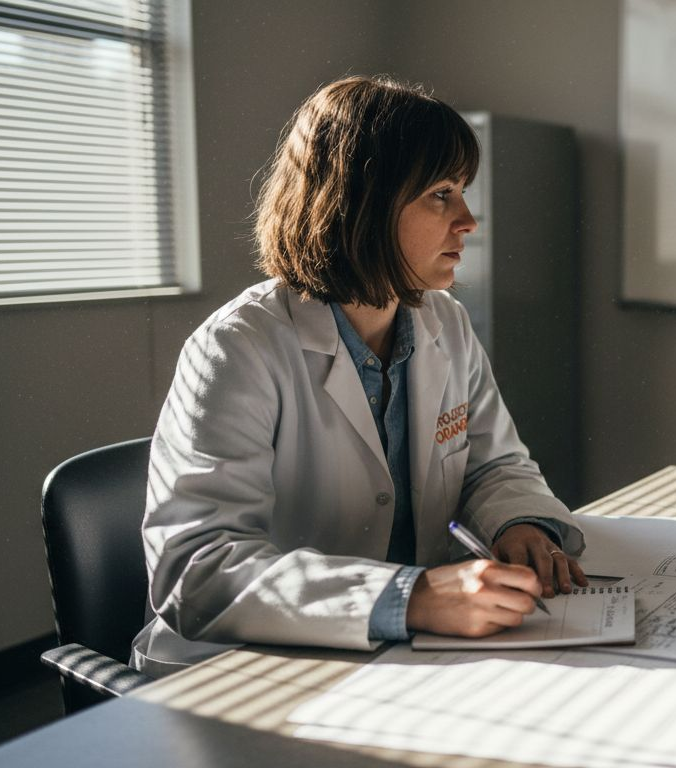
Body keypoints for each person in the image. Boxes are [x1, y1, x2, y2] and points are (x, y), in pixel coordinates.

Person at [131, 75, 586, 677]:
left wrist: (520, 521)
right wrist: (407, 598)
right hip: (248, 666)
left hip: (401, 655)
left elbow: (493, 464)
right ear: (362, 202)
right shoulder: (237, 348)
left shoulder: (445, 323)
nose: (468, 220)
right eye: (441, 194)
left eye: (462, 193)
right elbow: (197, 569)